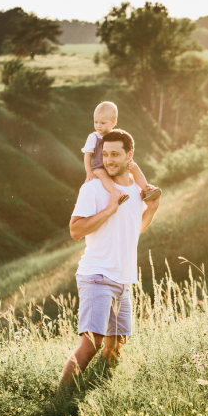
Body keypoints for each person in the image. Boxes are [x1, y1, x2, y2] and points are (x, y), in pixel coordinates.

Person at [60, 129, 161, 391]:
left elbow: (133, 230)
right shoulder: (93, 189)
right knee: (91, 344)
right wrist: (109, 209)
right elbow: (75, 230)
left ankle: (96, 395)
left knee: (116, 346)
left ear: (131, 156)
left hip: (122, 279)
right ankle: (59, 402)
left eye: (115, 154)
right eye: (105, 154)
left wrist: (151, 209)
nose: (109, 160)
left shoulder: (138, 191)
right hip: (97, 275)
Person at [82, 101, 160, 202]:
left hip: (113, 165)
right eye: (96, 122)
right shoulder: (93, 137)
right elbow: (87, 155)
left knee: (133, 166)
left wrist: (127, 162)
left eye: (102, 123)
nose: (98, 126)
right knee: (103, 174)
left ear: (113, 123)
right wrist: (89, 172)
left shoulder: (114, 135)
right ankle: (116, 193)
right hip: (98, 167)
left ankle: (146, 190)